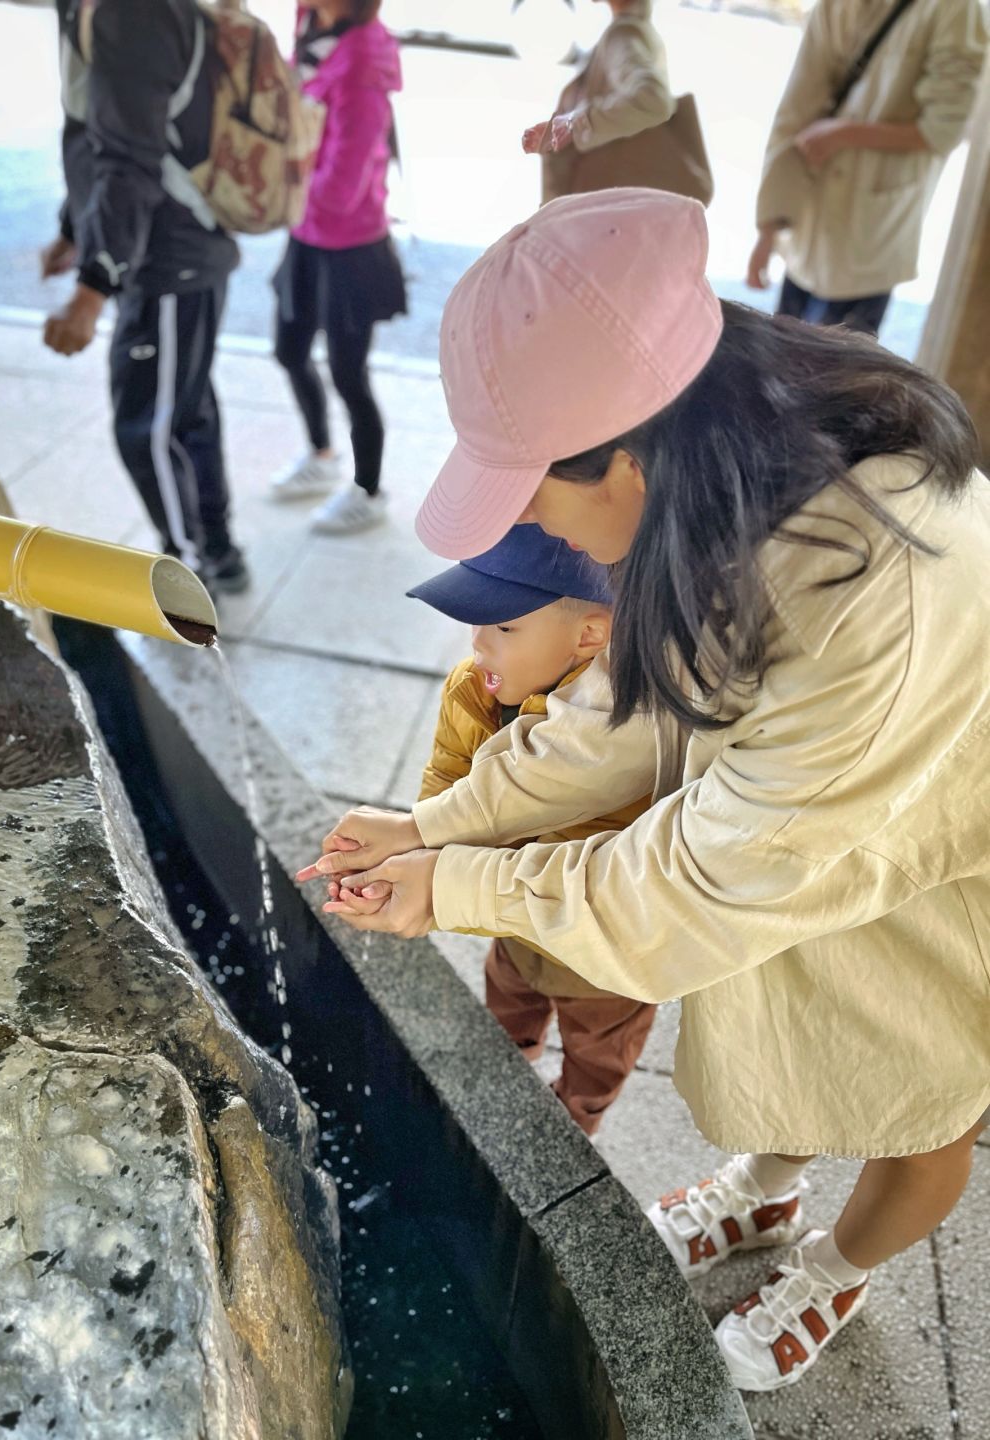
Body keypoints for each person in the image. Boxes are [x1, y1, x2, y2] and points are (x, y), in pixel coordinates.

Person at [298, 189, 990, 1392]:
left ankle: (836, 1265)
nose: (516, 517)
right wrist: (436, 822)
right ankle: (767, 1195)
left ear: (624, 456)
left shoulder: (867, 580)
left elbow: (702, 882)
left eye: (527, 488)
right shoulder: (739, 458)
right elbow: (630, 711)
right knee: (801, 1019)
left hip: (939, 832)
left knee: (919, 1091)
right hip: (806, 812)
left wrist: (456, 888)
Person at [408, 524, 655, 1136]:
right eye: (476, 622)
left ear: (589, 634)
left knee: (599, 1048)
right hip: (511, 920)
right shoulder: (472, 690)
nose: (480, 644)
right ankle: (506, 1077)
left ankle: (577, 1120)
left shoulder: (616, 731)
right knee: (506, 1002)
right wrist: (414, 850)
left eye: (505, 627)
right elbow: (446, 778)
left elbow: (604, 853)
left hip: (598, 953)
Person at [42, 0, 249, 596]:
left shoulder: (131, 11)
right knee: (188, 411)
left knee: (149, 426)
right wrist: (72, 227)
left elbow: (128, 156)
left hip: (165, 257)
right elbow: (101, 128)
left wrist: (92, 287)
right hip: (186, 244)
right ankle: (218, 550)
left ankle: (190, 578)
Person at [749, 0, 987, 337]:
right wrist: (767, 232)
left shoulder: (955, 10)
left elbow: (943, 129)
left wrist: (845, 133)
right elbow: (794, 112)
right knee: (775, 367)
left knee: (839, 380)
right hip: (809, 229)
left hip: (872, 238)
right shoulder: (835, 7)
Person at [268, 0, 405, 535]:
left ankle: (368, 491)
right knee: (289, 350)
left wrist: (275, 189)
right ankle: (321, 457)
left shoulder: (365, 63)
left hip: (349, 245)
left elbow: (344, 186)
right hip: (305, 232)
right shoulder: (309, 22)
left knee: (350, 375)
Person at [521, 0, 675, 203]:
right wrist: (562, 130)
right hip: (604, 216)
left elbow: (652, 99)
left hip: (596, 217)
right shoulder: (632, 32)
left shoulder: (624, 34)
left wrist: (572, 126)